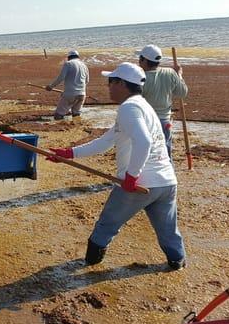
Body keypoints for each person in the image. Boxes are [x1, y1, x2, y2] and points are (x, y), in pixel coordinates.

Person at [46, 62, 185, 270]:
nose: (108, 86)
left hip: (139, 185)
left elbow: (144, 141)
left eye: (111, 82)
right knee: (168, 231)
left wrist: (131, 176)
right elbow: (105, 141)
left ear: (122, 83)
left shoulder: (129, 108)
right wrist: (70, 154)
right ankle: (178, 263)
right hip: (166, 183)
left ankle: (89, 266)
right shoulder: (142, 106)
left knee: (106, 226)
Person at [137, 44, 188, 159]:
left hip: (147, 122)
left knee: (147, 155)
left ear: (144, 60)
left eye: (140, 58)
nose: (138, 61)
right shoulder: (170, 72)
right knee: (165, 153)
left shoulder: (140, 78)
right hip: (165, 120)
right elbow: (182, 92)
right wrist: (179, 75)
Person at [45, 49, 89, 121]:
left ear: (69, 57)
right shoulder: (84, 65)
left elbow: (61, 77)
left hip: (70, 94)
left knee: (58, 115)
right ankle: (77, 129)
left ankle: (60, 129)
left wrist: (51, 86)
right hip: (82, 94)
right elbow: (87, 81)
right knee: (76, 114)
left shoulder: (68, 64)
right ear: (78, 57)